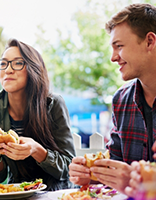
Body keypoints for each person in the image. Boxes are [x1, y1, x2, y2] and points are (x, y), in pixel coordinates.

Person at [69, 3, 156, 195]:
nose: (113, 57)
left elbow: (130, 179)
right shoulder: (121, 99)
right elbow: (116, 163)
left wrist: (138, 181)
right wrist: (90, 174)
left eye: (119, 46)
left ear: (150, 41)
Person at [0, 38, 75, 191]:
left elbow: (68, 168)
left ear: (33, 69)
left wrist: (37, 150)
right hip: (17, 192)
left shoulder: (53, 103)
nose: (8, 70)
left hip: (55, 193)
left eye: (17, 63)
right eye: (3, 63)